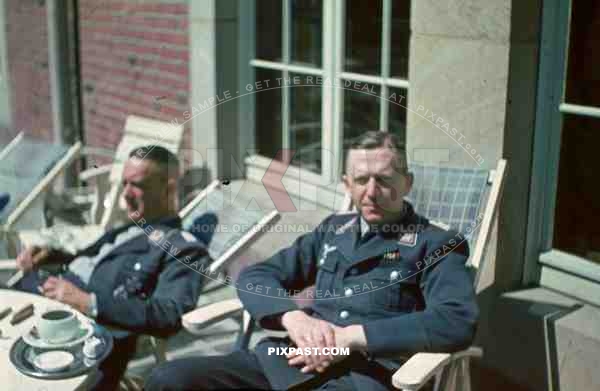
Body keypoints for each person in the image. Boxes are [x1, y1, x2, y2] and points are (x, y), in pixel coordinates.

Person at [146, 131, 478, 391]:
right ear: (347, 185)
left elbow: (455, 320)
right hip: (287, 357)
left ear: (407, 184)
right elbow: (257, 275)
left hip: (365, 374)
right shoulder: (334, 231)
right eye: (361, 180)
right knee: (170, 378)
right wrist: (295, 320)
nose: (372, 192)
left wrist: (348, 338)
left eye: (385, 180)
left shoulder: (435, 244)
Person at [14, 145, 211, 390]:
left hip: (75, 337)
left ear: (168, 188)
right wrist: (47, 256)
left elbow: (169, 315)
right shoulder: (132, 228)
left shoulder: (181, 247)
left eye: (137, 185)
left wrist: (89, 302)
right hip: (35, 302)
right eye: (124, 183)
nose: (125, 194)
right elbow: (94, 261)